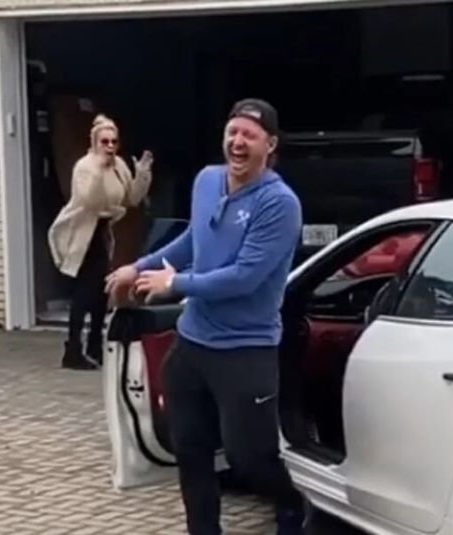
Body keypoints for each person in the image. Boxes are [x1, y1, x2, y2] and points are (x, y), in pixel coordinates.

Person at [105, 98, 309, 535]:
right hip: (192, 346)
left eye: (249, 135)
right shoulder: (207, 181)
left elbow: (244, 277)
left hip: (245, 351)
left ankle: (293, 504)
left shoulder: (279, 204)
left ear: (270, 145)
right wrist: (138, 267)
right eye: (233, 132)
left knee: (248, 458)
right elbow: (191, 241)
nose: (238, 142)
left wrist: (175, 284)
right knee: (191, 452)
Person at [48, 114, 153, 370]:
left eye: (114, 142)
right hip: (81, 233)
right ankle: (73, 349)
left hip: (103, 231)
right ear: (94, 143)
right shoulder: (85, 167)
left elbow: (131, 198)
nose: (110, 147)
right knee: (84, 293)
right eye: (104, 142)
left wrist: (142, 175)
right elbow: (89, 201)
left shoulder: (119, 166)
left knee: (100, 293)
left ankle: (95, 345)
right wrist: (98, 168)